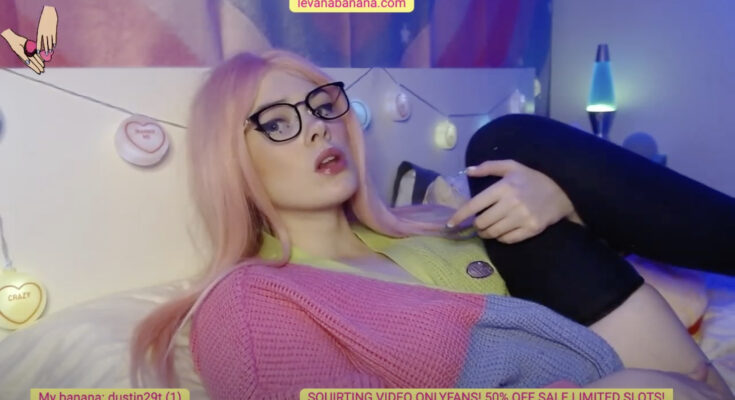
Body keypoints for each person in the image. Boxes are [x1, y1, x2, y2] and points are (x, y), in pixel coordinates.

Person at [129, 50, 733, 399]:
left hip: (661, 360)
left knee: (502, 146)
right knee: (503, 140)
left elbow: (591, 270)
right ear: (232, 163)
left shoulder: (438, 225)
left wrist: (561, 204)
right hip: (642, 379)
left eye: (321, 106)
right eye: (278, 123)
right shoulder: (250, 299)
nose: (317, 127)